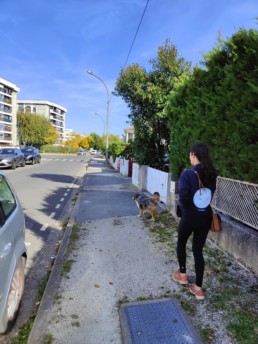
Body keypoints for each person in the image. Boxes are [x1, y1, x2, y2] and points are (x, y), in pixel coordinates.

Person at [172, 142, 217, 300]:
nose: (189, 157)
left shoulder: (187, 174)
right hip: (205, 217)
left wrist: (183, 208)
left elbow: (183, 197)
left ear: (193, 155)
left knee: (181, 243)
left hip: (189, 217)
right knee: (198, 251)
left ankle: (182, 275)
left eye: (190, 155)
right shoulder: (212, 174)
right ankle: (198, 289)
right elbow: (209, 195)